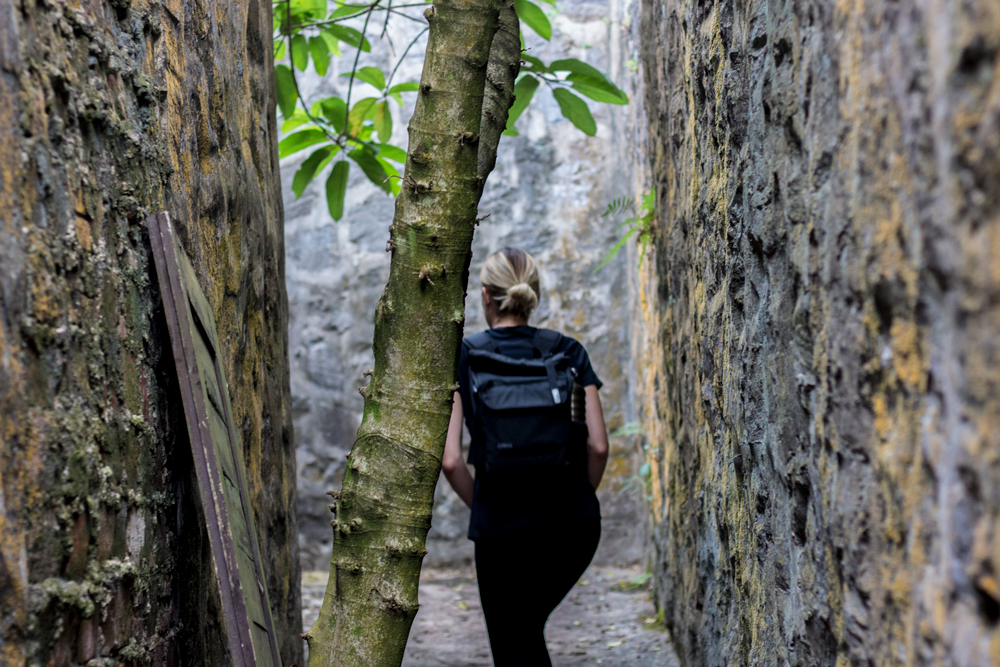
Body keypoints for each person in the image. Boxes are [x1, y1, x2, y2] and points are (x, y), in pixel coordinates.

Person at [441, 247, 610, 667]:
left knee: (513, 642)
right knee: (525, 633)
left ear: (485, 296)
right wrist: (574, 496)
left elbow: (450, 460)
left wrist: (484, 502)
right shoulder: (568, 352)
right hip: (572, 528)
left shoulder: (465, 356)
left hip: (501, 528)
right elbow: (598, 445)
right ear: (534, 293)